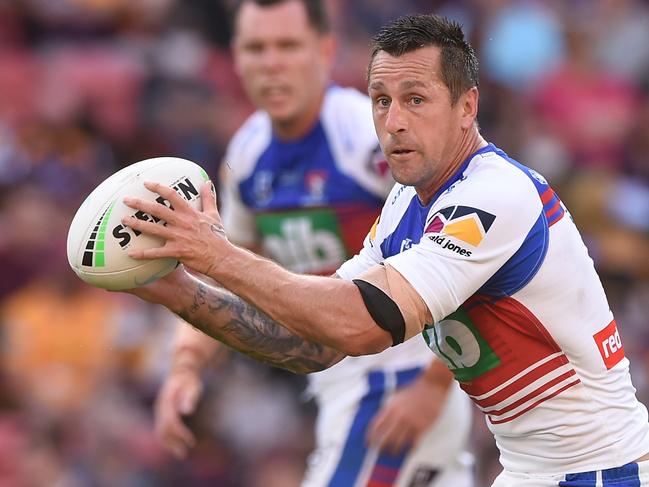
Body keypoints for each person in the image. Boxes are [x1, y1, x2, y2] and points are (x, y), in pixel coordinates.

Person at [119, 13, 649, 487]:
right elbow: (319, 344)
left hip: (601, 470)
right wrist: (183, 292)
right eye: (382, 100)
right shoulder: (403, 203)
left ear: (467, 107)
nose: (393, 121)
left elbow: (361, 325)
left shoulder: (493, 194)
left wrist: (216, 257)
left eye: (415, 99)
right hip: (530, 470)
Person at [153, 2, 474, 486]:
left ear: (325, 50)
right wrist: (185, 365)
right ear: (236, 58)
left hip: (398, 373)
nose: (272, 63)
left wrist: (435, 383)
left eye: (288, 46)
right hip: (333, 375)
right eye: (257, 49)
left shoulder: (366, 135)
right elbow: (229, 269)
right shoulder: (248, 154)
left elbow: (468, 243)